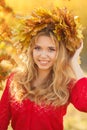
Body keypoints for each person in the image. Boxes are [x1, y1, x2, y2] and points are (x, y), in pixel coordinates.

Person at [0, 7, 87, 130]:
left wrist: (73, 62)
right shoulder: (15, 80)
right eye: (38, 48)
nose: (43, 55)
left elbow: (85, 104)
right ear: (31, 50)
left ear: (60, 53)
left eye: (51, 49)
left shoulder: (66, 85)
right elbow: (1, 121)